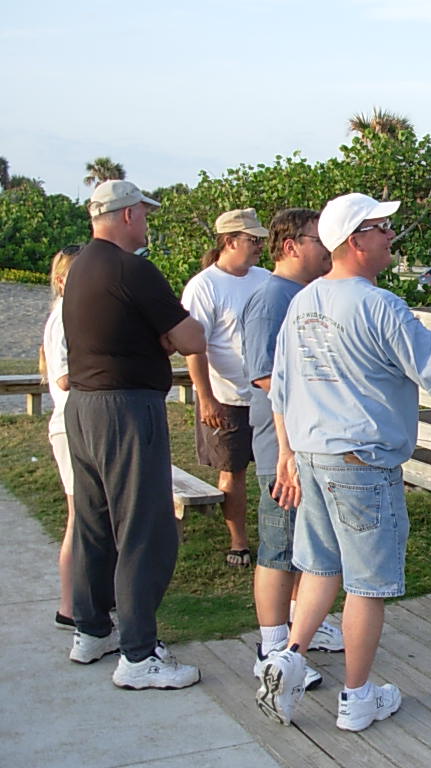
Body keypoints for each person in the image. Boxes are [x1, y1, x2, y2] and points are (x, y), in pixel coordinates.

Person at [257, 192, 431, 731]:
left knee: (319, 566)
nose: (392, 235)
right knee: (368, 584)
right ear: (355, 240)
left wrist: (288, 457)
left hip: (315, 456)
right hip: (362, 464)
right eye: (382, 227)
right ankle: (358, 698)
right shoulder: (379, 305)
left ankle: (288, 658)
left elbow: (282, 391)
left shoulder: (304, 301)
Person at [63, 180, 205, 688]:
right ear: (126, 216)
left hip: (82, 407)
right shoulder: (133, 269)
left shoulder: (80, 267)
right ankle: (139, 655)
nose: (146, 222)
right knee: (145, 528)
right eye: (143, 213)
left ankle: (92, 628)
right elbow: (192, 337)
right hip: (127, 408)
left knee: (94, 524)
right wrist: (164, 337)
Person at [241, 208, 341, 689]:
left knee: (310, 546)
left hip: (311, 446)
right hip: (279, 450)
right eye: (318, 238)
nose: (328, 247)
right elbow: (263, 375)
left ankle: (307, 626)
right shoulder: (270, 300)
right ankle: (273, 646)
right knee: (279, 547)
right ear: (290, 246)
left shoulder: (307, 295)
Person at [182, 208, 271, 566]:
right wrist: (205, 398)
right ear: (230, 241)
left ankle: (277, 533)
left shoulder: (265, 279)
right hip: (227, 397)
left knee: (273, 468)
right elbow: (194, 347)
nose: (259, 247)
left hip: (267, 395)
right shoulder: (204, 285)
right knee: (232, 471)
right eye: (253, 240)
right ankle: (239, 542)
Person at [41, 245, 80, 630]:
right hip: (71, 425)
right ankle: (69, 606)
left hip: (75, 423)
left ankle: (81, 600)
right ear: (61, 279)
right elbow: (66, 376)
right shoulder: (64, 318)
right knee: (79, 519)